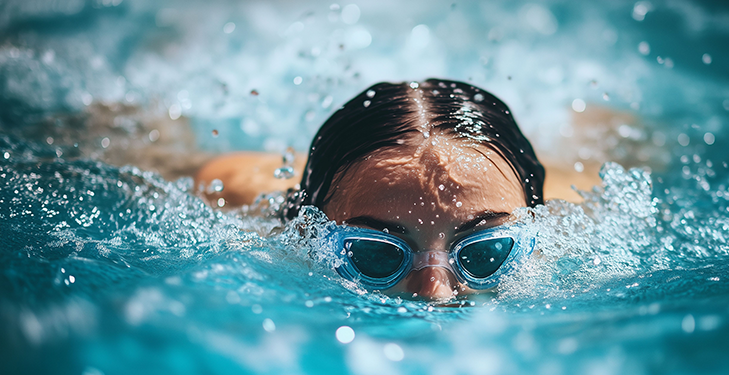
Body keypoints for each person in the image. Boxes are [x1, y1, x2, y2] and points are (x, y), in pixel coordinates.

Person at [197, 79, 561, 300]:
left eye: (485, 253)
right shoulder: (227, 193)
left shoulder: (582, 208)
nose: (434, 294)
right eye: (377, 255)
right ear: (308, 233)